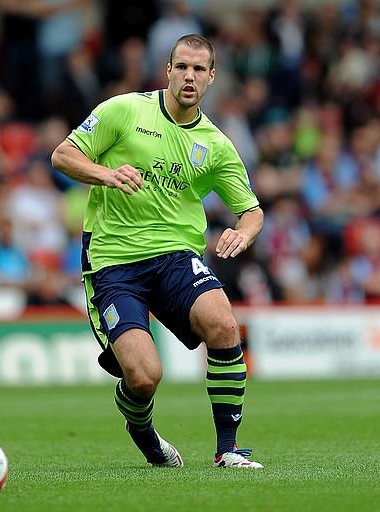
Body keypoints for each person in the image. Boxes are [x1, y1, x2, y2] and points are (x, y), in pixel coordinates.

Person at [51, 34, 264, 469]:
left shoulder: (216, 145)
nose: (189, 76)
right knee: (145, 377)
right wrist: (105, 174)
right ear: (168, 70)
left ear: (211, 77)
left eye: (199, 69)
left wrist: (243, 233)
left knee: (225, 324)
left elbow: (252, 211)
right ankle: (143, 432)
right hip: (114, 262)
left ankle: (228, 449)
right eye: (181, 66)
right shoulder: (124, 110)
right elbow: (62, 155)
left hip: (175, 258)